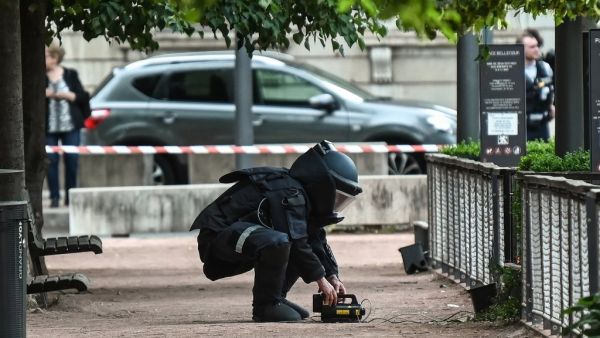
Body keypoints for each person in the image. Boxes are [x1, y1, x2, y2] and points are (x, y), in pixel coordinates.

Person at [190, 140, 363, 322]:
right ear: (324, 185)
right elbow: (297, 242)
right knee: (282, 241)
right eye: (337, 197)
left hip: (240, 238)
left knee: (293, 242)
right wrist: (320, 280)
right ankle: (265, 306)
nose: (337, 204)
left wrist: (332, 276)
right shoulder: (289, 193)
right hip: (217, 240)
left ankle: (276, 298)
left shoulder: (301, 196)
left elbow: (313, 239)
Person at [45, 44, 90, 208]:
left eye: (46, 56)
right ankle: (54, 198)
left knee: (72, 160)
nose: (44, 59)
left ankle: (71, 197)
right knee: (50, 161)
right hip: (48, 127)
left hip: (70, 126)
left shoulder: (70, 74)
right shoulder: (39, 77)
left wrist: (70, 96)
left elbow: (83, 97)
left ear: (55, 58)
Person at [517, 28, 555, 141]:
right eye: (532, 47)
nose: (536, 49)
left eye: (537, 46)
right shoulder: (513, 70)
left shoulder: (545, 67)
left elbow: (552, 88)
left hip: (542, 125)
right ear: (521, 49)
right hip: (522, 126)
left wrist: (552, 106)